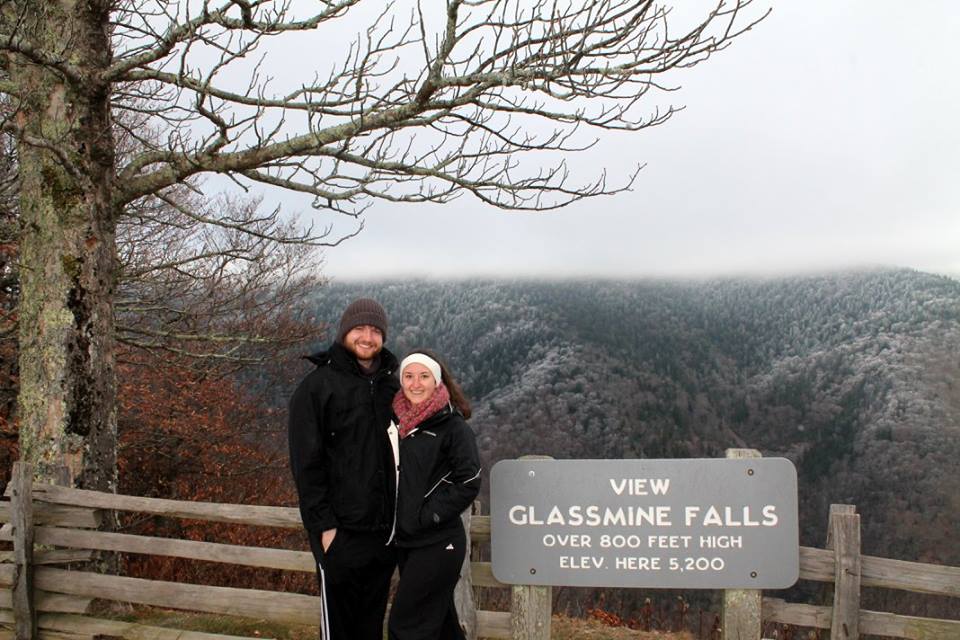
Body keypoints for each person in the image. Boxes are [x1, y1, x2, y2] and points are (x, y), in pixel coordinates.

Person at [288, 298, 400, 640]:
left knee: (370, 626)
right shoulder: (316, 387)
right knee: (338, 629)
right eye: (359, 329)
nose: (367, 337)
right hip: (340, 534)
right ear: (344, 333)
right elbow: (306, 465)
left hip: (384, 534)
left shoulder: (392, 388)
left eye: (375, 330)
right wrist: (325, 528)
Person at [388, 350, 482, 640]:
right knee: (441, 626)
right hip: (407, 541)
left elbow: (469, 480)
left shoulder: (452, 427)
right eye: (409, 376)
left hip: (439, 541)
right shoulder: (397, 424)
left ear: (437, 381)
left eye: (424, 376)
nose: (416, 383)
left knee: (406, 626)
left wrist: (428, 516)